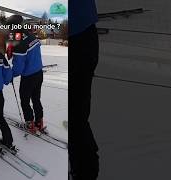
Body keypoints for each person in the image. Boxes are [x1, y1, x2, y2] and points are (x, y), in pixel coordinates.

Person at [70, 0, 100, 179]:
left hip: (79, 39)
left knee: (76, 118)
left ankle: (85, 171)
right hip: (83, 35)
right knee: (77, 117)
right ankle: (85, 168)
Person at [6, 15, 44, 133]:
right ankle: (39, 121)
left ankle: (30, 124)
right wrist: (10, 47)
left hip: (28, 77)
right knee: (36, 98)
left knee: (25, 100)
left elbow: (18, 69)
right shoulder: (30, 35)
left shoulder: (20, 44)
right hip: (39, 73)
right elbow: (12, 46)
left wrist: (9, 75)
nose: (9, 31)